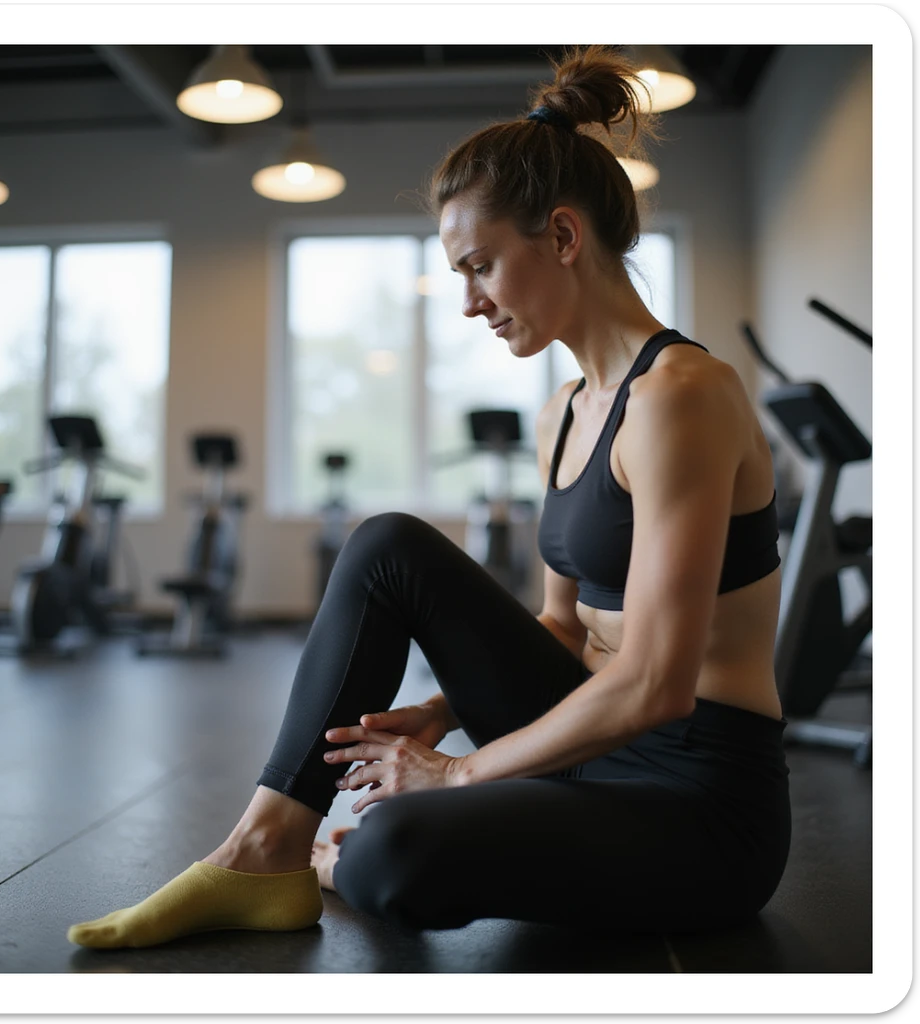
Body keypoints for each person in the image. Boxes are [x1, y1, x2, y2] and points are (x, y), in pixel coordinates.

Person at [67, 45, 791, 949]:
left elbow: (654, 685)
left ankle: (334, 857)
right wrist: (444, 712)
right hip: (583, 743)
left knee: (387, 854)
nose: (469, 303)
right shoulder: (562, 413)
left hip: (699, 801)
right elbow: (563, 628)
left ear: (563, 239)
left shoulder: (682, 397)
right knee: (386, 546)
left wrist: (457, 777)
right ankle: (264, 847)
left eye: (479, 266)